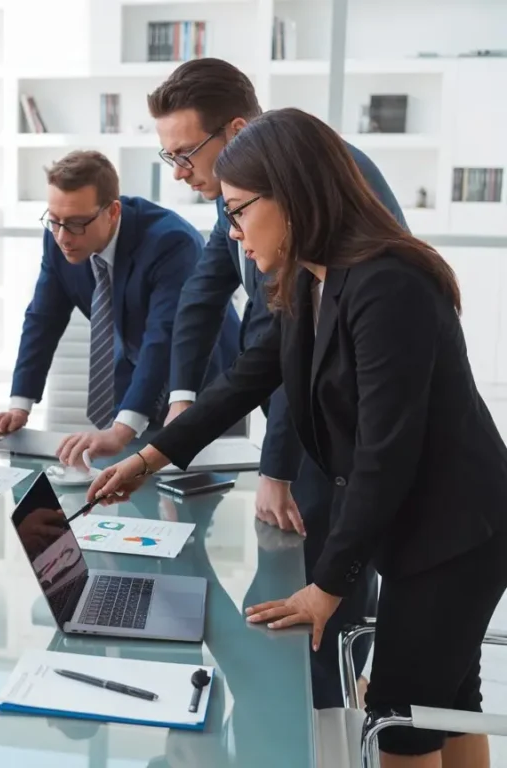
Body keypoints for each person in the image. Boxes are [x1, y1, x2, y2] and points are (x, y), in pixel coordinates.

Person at [88, 107, 507, 766]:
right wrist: (150, 455)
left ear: (291, 195)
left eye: (238, 212)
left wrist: (328, 587)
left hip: (456, 535)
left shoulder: (387, 286)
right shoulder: (313, 278)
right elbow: (250, 376)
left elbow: (383, 454)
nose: (231, 232)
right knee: (447, 704)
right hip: (428, 526)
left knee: (399, 721)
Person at [148, 57, 405, 707]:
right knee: (299, 606)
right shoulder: (251, 184)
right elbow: (211, 300)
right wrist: (176, 418)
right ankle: (307, 703)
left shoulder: (319, 199)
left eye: (185, 154)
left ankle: (321, 711)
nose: (181, 174)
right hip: (341, 438)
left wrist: (276, 467)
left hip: (351, 437)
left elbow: (294, 354)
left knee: (327, 602)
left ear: (234, 131)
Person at [0, 150, 240, 465]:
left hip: (201, 377)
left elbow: (162, 338)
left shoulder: (170, 242)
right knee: (128, 485)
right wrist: (19, 406)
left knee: (194, 489)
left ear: (113, 211)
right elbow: (42, 320)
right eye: (54, 221)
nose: (63, 236)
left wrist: (121, 430)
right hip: (135, 373)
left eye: (76, 224)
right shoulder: (59, 237)